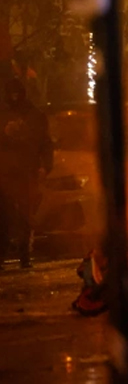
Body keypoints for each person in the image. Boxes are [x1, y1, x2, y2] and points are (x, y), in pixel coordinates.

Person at [0, 78, 52, 269]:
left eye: (17, 93)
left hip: (25, 172)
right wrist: (5, 133)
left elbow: (45, 143)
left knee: (25, 217)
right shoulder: (2, 114)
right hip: (3, 174)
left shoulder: (35, 116)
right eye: (11, 93)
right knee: (3, 217)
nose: (14, 97)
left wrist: (45, 166)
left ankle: (24, 255)